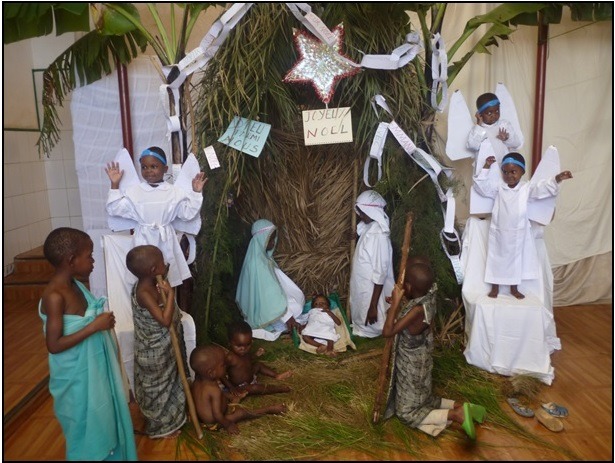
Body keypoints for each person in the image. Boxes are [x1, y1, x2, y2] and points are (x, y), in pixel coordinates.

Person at [38, 227, 137, 460]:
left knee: (104, 418)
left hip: (95, 371)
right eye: (89, 256)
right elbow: (54, 345)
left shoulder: (76, 284)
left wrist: (99, 322)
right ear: (71, 260)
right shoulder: (54, 296)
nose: (93, 261)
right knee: (86, 425)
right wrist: (94, 326)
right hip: (77, 377)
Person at [382, 257, 486, 440]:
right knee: (424, 398)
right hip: (422, 359)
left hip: (412, 365)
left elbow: (388, 331)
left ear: (410, 288)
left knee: (406, 412)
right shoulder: (429, 296)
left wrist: (396, 305)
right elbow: (414, 301)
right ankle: (462, 406)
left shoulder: (417, 311)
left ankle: (457, 415)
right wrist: (402, 300)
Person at [473, 152, 573, 299]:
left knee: (516, 261)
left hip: (518, 233)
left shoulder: (526, 188)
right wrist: (486, 166)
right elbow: (481, 186)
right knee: (496, 259)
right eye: (505, 172)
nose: (509, 175)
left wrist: (557, 179)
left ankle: (514, 288)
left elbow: (542, 188)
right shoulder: (498, 188)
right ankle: (495, 287)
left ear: (522, 172)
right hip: (499, 231)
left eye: (513, 172)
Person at [105, 146, 207, 288]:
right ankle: (149, 305)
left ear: (165, 169)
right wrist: (114, 184)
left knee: (167, 278)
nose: (148, 171)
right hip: (143, 240)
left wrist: (195, 193)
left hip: (165, 240)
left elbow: (187, 214)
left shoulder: (174, 192)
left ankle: (167, 306)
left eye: (154, 166)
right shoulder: (134, 192)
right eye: (144, 167)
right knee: (144, 279)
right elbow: (114, 209)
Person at [125, 244, 188, 438]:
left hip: (165, 348)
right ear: (153, 270)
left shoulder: (154, 281)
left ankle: (173, 418)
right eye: (162, 262)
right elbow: (164, 320)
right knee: (159, 388)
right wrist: (170, 295)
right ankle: (160, 428)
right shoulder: (144, 292)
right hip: (154, 350)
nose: (166, 264)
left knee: (170, 383)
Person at [190, 345, 287, 434]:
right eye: (223, 365)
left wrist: (229, 396)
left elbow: (206, 401)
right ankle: (269, 409)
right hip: (215, 422)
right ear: (211, 373)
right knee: (241, 413)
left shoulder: (199, 381)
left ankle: (278, 389)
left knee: (240, 392)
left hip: (216, 409)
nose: (225, 367)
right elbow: (217, 415)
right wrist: (228, 425)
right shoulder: (212, 389)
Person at [235, 219, 306, 340]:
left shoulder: (263, 258)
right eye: (270, 239)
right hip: (265, 306)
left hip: (270, 301)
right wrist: (288, 317)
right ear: (262, 238)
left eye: (274, 238)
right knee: (294, 308)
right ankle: (279, 321)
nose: (273, 243)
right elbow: (269, 295)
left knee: (295, 302)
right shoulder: (257, 264)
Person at [349, 190, 395, 338]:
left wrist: (373, 306)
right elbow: (362, 229)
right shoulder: (369, 227)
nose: (360, 216)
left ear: (373, 211)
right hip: (363, 283)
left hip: (372, 286)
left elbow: (380, 272)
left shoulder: (379, 237)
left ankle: (372, 330)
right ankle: (361, 326)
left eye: (363, 212)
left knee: (370, 312)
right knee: (360, 303)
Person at [222, 320, 293, 397]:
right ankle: (279, 389)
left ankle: (277, 375)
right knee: (255, 388)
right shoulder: (230, 358)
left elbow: (248, 360)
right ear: (229, 343)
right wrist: (231, 388)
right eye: (239, 346)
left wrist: (256, 355)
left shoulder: (245, 352)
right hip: (240, 386)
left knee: (258, 365)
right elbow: (221, 374)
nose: (244, 349)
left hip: (251, 376)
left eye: (248, 344)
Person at [467, 92, 522, 165]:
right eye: (489, 113)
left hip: (503, 167)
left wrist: (507, 138)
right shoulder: (478, 130)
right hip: (485, 168)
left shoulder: (504, 125)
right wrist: (479, 126)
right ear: (479, 114)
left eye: (497, 111)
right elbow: (473, 146)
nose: (494, 115)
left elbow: (517, 144)